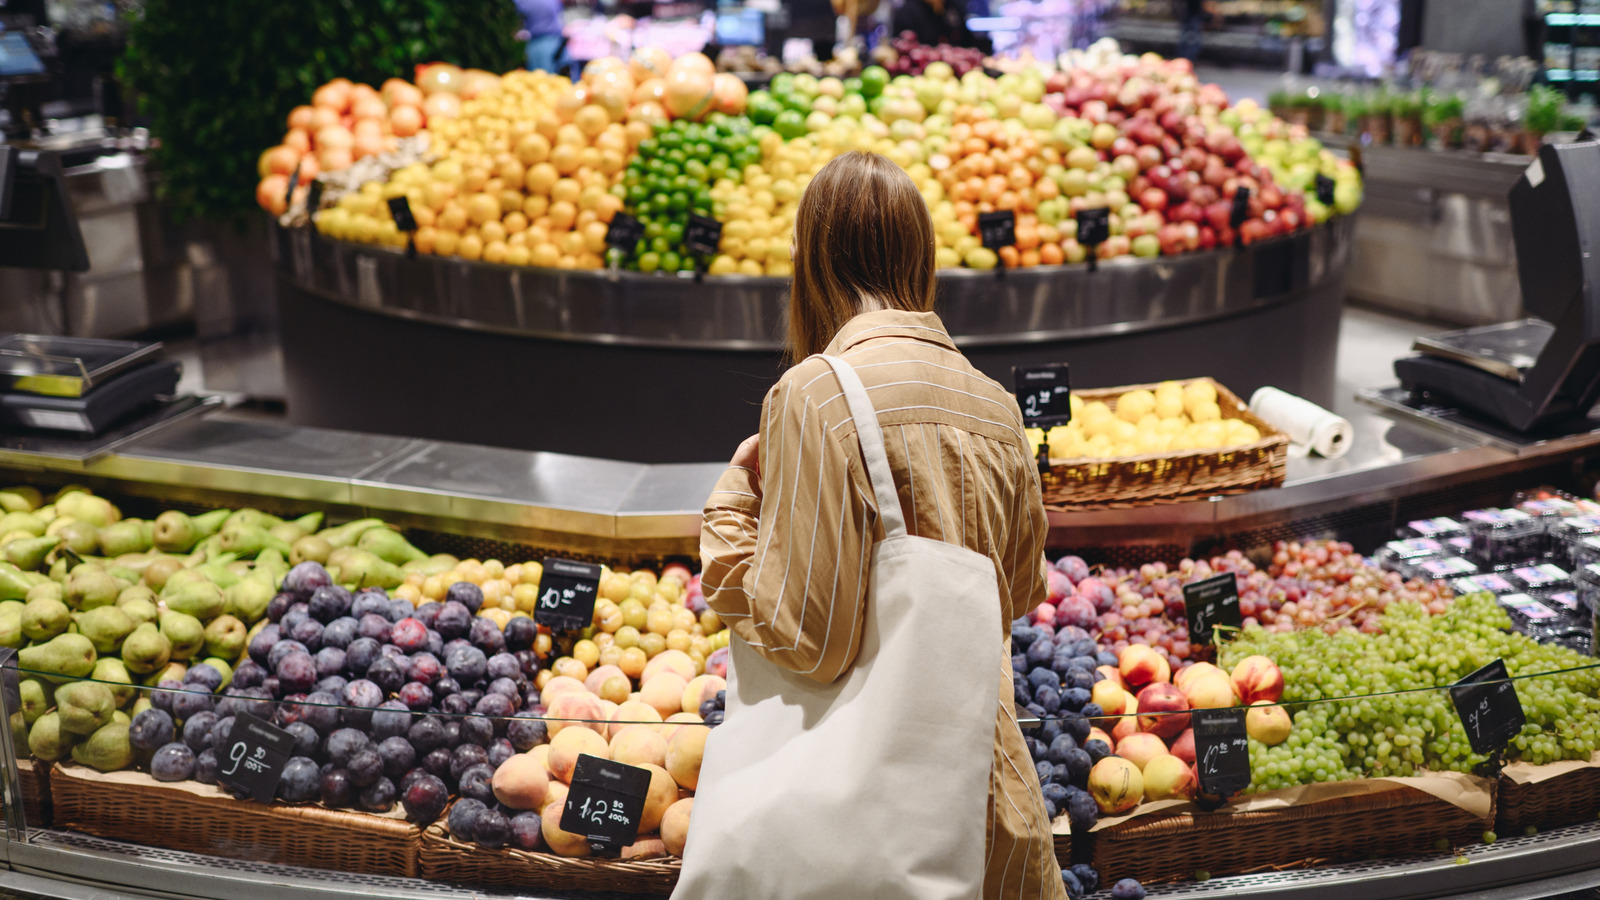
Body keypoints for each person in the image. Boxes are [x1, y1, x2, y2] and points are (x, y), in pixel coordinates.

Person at [684, 151, 1063, 899]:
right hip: (990, 808)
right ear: (922, 258)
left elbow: (808, 642)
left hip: (869, 834)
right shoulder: (997, 405)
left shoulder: (816, 395)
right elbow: (1015, 592)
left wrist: (732, 507)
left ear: (813, 260)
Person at [891, 0, 992, 52]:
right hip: (921, 77)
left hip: (958, 74)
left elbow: (969, 41)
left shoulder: (954, 7)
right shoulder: (907, 12)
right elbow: (898, 48)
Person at [516, 0, 564, 74]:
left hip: (537, 42)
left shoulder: (524, 2)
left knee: (539, 78)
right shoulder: (553, 1)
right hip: (555, 40)